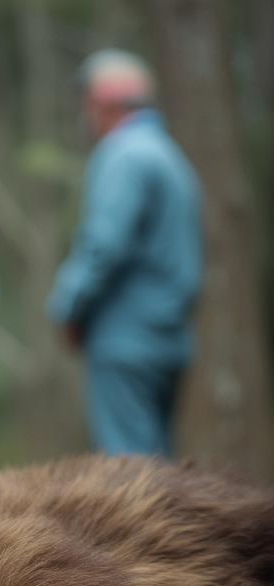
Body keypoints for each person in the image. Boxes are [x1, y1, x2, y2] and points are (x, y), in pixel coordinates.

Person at [49, 50, 203, 458]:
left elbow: (104, 245)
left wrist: (68, 307)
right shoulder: (169, 154)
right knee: (159, 470)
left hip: (126, 337)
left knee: (130, 475)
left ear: (102, 102)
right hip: (169, 337)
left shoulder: (124, 154)